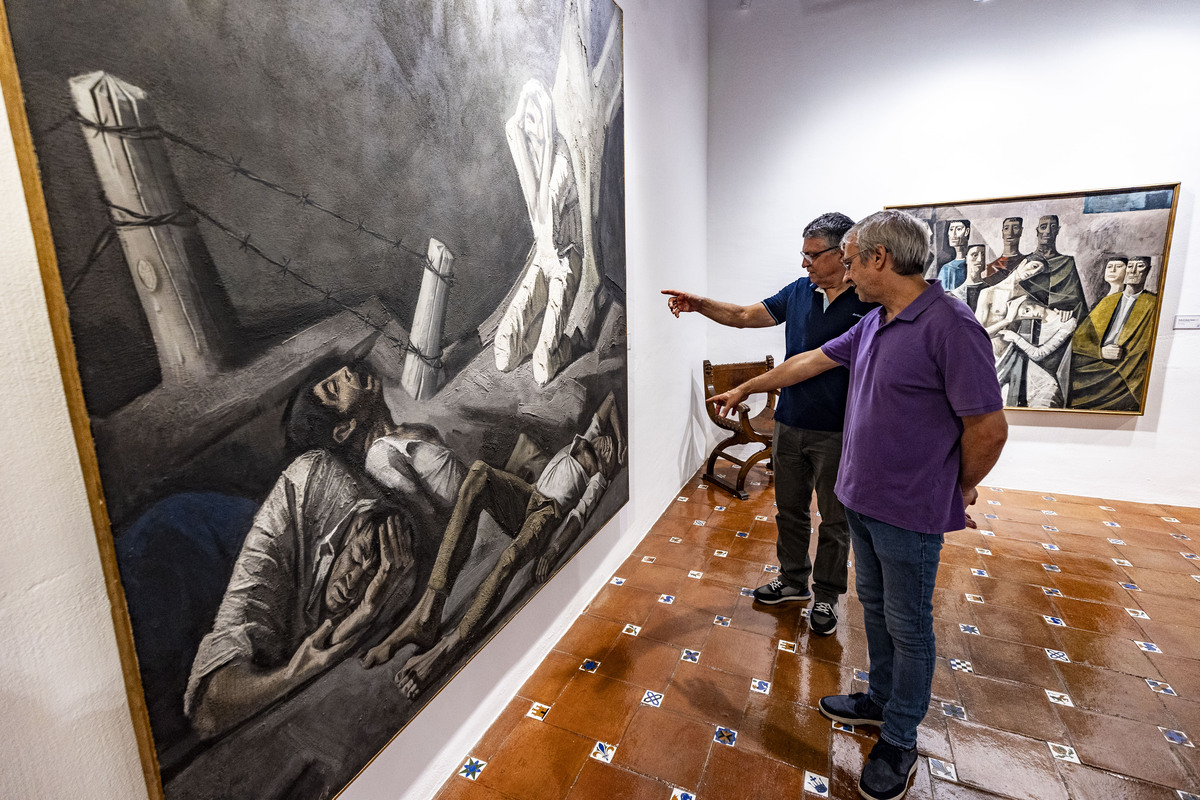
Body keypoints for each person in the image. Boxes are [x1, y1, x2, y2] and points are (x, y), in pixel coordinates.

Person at [707, 210, 1007, 800]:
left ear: (879, 259)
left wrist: (958, 485)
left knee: (909, 623)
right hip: (861, 497)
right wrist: (746, 389)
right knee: (874, 607)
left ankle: (898, 739)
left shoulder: (951, 326)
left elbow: (988, 427)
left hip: (910, 508)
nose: (843, 271)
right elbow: (809, 362)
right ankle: (878, 700)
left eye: (849, 260)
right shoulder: (875, 321)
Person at [184, 364, 465, 739]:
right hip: (192, 531)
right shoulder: (306, 482)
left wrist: (365, 612)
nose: (357, 579)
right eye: (359, 556)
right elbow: (209, 706)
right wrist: (298, 669)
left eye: (370, 572)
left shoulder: (397, 562)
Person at [662, 212, 876, 636]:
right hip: (790, 424)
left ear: (843, 253)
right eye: (803, 254)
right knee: (789, 511)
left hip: (841, 432)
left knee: (835, 521)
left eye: (813, 255)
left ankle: (828, 597)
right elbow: (744, 315)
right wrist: (700, 305)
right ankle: (794, 581)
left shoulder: (869, 300)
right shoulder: (799, 292)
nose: (805, 264)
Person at [363, 392, 626, 697]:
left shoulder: (598, 479)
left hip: (546, 514)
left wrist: (553, 550)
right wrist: (619, 444)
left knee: (510, 557)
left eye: (607, 451)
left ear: (604, 469)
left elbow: (578, 517)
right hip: (529, 494)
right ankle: (428, 612)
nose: (603, 442)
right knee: (478, 474)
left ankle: (447, 648)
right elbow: (608, 401)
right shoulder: (591, 439)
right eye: (603, 440)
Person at [493, 78, 584, 386]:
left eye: (534, 121)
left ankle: (567, 344)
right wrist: (524, 107)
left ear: (547, 120)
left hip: (564, 262)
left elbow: (547, 215)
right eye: (526, 122)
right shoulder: (530, 148)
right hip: (542, 261)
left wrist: (541, 152)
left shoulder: (559, 160)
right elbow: (511, 127)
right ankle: (542, 334)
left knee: (542, 369)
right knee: (504, 354)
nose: (528, 130)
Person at [1070, 255, 1159, 411]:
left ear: (1148, 271)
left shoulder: (1152, 303)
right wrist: (1099, 351)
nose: (1134, 271)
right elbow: (1079, 339)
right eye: (1130, 266)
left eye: (1140, 267)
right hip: (1097, 363)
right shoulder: (1108, 301)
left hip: (1127, 369)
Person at [994, 296, 1077, 408]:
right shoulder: (1029, 326)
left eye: (1027, 310)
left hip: (1045, 384)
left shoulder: (1067, 322)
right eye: (1024, 315)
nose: (1031, 315)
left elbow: (1039, 354)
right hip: (1022, 383)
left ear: (1036, 301)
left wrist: (1016, 338)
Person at [1021, 215, 1087, 325]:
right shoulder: (1026, 262)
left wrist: (1067, 311)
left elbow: (1077, 302)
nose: (1047, 231)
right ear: (1037, 231)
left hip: (1061, 320)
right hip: (1028, 319)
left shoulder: (1066, 262)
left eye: (1052, 227)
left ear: (1057, 230)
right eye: (1043, 227)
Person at [984, 217, 1026, 283]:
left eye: (1015, 228)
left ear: (1021, 231)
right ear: (1002, 232)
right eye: (1006, 228)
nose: (1010, 232)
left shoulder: (1026, 262)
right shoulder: (991, 267)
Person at [950, 243, 988, 312]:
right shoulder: (956, 294)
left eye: (983, 255)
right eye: (975, 255)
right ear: (966, 258)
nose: (980, 260)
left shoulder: (990, 290)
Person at [936, 219, 970, 290]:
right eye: (951, 229)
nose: (953, 234)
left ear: (967, 231)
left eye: (958, 229)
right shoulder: (946, 268)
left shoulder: (972, 264)